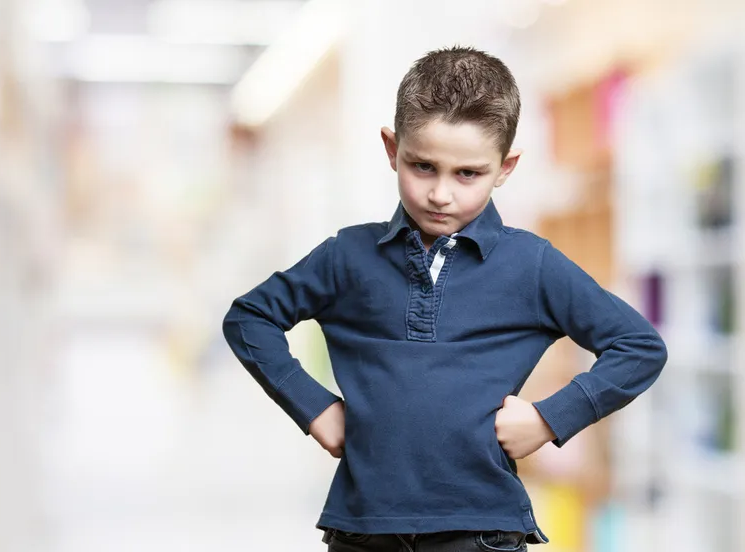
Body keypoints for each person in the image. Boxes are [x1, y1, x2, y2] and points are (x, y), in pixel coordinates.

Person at [222, 46, 667, 552]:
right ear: (392, 149)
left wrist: (549, 419)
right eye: (423, 166)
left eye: (468, 174)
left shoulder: (533, 265)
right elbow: (249, 317)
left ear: (505, 167)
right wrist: (315, 408)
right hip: (363, 531)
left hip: (481, 533)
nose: (440, 194)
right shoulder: (348, 256)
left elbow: (639, 347)